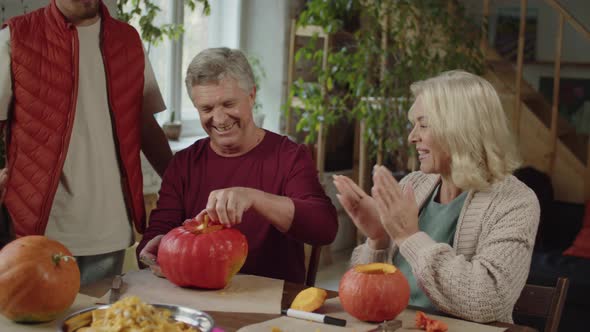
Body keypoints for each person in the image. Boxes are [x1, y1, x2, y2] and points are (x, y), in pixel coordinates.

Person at [333, 70, 540, 323]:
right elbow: (362, 296)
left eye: (423, 125)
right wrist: (378, 239)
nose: (411, 137)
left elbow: (489, 300)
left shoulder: (516, 202)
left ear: (459, 129)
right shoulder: (413, 184)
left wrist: (408, 236)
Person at [0, 0, 173, 285]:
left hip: (110, 230)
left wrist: (181, 180)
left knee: (98, 325)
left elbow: (143, 124)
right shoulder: (15, 38)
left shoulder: (128, 40)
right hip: (38, 232)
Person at [137, 47, 338, 284]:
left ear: (251, 96)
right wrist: (160, 246)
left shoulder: (289, 156)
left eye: (228, 104)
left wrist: (255, 198)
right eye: (207, 109)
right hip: (198, 296)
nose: (220, 119)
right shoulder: (184, 163)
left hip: (270, 300)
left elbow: (324, 228)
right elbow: (153, 239)